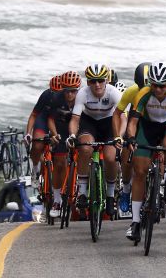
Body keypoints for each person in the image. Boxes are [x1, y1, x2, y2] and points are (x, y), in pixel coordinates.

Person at [124, 62, 166, 242]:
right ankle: (136, 222)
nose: (158, 89)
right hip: (147, 128)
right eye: (154, 85)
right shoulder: (143, 94)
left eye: (162, 86)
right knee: (139, 172)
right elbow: (132, 123)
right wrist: (130, 138)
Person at [67, 63, 123, 216]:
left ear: (106, 80)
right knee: (85, 148)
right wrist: (72, 135)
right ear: (88, 82)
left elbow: (122, 117)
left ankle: (110, 195)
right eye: (92, 81)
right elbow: (74, 119)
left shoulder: (114, 93)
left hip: (110, 123)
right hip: (89, 123)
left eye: (100, 80)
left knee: (111, 157)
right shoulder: (83, 94)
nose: (97, 84)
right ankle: (83, 191)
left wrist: (119, 136)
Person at [113, 62, 150, 214]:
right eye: (141, 87)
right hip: (136, 122)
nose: (145, 90)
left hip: (154, 123)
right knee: (127, 155)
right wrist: (118, 136)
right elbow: (119, 113)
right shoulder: (131, 92)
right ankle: (126, 188)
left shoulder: (160, 91)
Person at [45, 71, 82, 218]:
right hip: (61, 129)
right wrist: (54, 134)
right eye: (66, 91)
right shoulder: (56, 98)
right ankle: (57, 200)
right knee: (59, 163)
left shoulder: (83, 97)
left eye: (73, 91)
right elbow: (50, 119)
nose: (69, 95)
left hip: (79, 128)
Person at [25, 74, 62, 187]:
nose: (55, 94)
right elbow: (34, 115)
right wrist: (28, 133)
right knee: (37, 145)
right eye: (53, 91)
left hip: (59, 121)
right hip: (44, 119)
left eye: (58, 92)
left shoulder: (69, 96)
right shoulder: (46, 95)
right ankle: (35, 169)